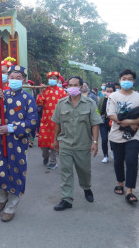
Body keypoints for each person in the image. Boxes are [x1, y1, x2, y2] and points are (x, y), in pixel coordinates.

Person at [0, 65, 38, 222]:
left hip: (18, 142)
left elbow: (32, 122)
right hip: (0, 141)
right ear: (7, 79)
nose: (14, 80)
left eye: (18, 78)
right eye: (11, 77)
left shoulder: (28, 98)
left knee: (16, 172)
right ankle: (1, 199)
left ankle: (11, 206)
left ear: (23, 79)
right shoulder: (3, 94)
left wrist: (11, 128)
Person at [52, 76, 102, 211]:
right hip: (65, 144)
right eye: (70, 85)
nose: (72, 87)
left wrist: (95, 142)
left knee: (84, 171)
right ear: (67, 86)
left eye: (75, 85)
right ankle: (66, 199)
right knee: (66, 172)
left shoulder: (90, 103)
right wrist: (55, 139)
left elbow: (95, 124)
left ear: (81, 87)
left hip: (83, 144)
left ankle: (87, 188)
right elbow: (57, 123)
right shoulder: (61, 103)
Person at [107, 69, 139, 204]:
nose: (127, 81)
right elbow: (111, 114)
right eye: (124, 78)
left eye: (130, 79)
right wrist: (127, 122)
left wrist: (130, 122)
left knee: (131, 161)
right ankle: (120, 183)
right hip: (116, 135)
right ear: (119, 80)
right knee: (118, 161)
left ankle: (129, 191)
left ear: (134, 81)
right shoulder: (113, 96)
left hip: (134, 136)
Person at [37, 71, 67, 169]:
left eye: (54, 78)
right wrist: (40, 93)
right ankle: (45, 157)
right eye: (51, 78)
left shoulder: (62, 92)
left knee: (54, 142)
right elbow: (39, 103)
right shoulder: (44, 90)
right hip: (45, 121)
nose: (52, 80)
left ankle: (53, 161)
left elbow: (66, 106)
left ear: (58, 80)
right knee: (44, 143)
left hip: (56, 122)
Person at [98, 83, 116, 163]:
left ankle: (113, 152)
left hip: (113, 123)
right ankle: (105, 156)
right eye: (107, 91)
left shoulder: (116, 100)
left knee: (113, 139)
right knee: (104, 139)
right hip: (103, 122)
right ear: (105, 91)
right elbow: (97, 110)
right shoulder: (102, 99)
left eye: (111, 91)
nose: (109, 92)